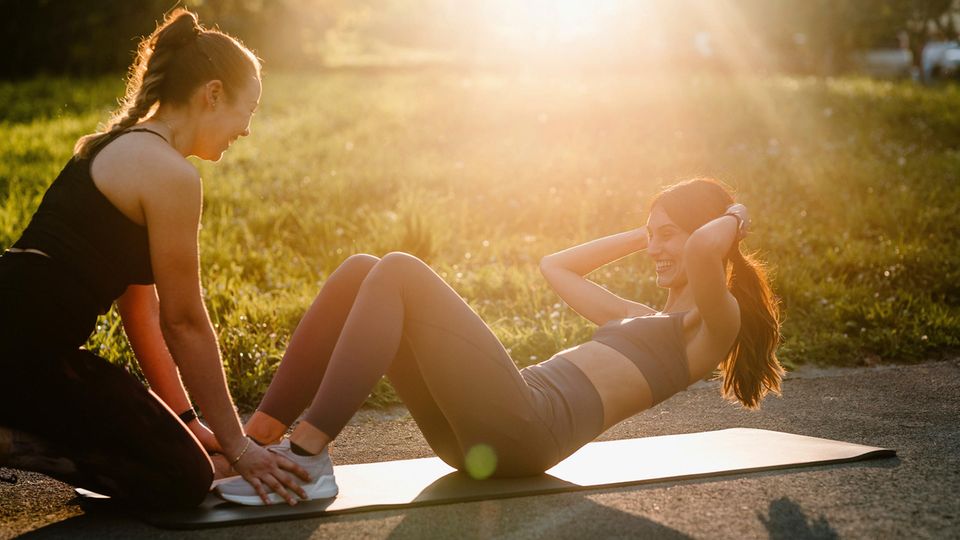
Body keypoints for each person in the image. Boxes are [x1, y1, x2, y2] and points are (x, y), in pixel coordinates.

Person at [216, 177, 784, 505]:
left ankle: (307, 458)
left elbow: (707, 249)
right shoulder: (636, 314)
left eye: (669, 237)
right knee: (364, 269)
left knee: (397, 269)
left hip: (523, 430)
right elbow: (555, 266)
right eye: (653, 237)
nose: (658, 249)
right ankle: (253, 441)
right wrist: (648, 232)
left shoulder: (712, 324)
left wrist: (735, 212)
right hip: (479, 437)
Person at [0, 9, 312, 508]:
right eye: (247, 111)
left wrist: (190, 423)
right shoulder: (170, 175)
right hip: (22, 354)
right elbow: (184, 322)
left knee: (188, 462)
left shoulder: (121, 146)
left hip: (26, 346)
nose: (247, 130)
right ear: (212, 94)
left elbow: (140, 313)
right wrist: (239, 447)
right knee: (182, 480)